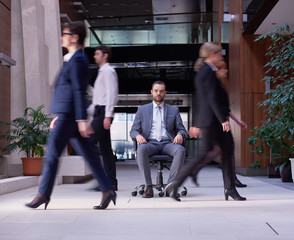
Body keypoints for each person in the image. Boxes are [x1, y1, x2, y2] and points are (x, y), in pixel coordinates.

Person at [25, 21, 116, 210]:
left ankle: (43, 194)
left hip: (71, 115)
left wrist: (81, 120)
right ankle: (107, 189)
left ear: (74, 37)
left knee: (52, 154)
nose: (61, 37)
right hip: (68, 115)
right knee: (89, 154)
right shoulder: (72, 58)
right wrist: (63, 116)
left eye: (64, 34)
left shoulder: (79, 60)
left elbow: (77, 90)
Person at [168, 42, 246, 201]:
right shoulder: (208, 72)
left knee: (228, 150)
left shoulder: (204, 72)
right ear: (212, 54)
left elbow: (200, 100)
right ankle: (176, 184)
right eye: (219, 54)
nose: (221, 57)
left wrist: (198, 122)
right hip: (212, 121)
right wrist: (222, 120)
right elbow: (211, 98)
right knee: (203, 154)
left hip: (210, 120)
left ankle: (230, 188)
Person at [189, 60, 248, 188]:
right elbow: (207, 106)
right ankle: (193, 170)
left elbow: (225, 108)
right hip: (215, 123)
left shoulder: (218, 86)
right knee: (217, 150)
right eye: (223, 69)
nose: (226, 71)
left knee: (221, 150)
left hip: (217, 122)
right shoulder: (212, 85)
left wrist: (238, 121)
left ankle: (230, 180)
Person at [130, 81, 188, 198]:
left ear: (165, 93)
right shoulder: (142, 110)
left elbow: (182, 129)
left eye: (161, 91)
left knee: (180, 150)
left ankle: (170, 187)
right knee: (141, 149)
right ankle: (148, 187)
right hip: (149, 143)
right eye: (156, 91)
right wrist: (138, 136)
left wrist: (180, 134)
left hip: (168, 143)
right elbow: (133, 130)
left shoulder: (173, 110)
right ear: (151, 92)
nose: (158, 93)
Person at [87, 45, 119, 191]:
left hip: (103, 113)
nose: (95, 56)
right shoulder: (101, 72)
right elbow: (97, 99)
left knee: (88, 142)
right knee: (106, 149)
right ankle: (110, 182)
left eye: (97, 54)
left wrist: (108, 116)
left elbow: (112, 94)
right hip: (99, 112)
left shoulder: (108, 71)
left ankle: (104, 180)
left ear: (105, 55)